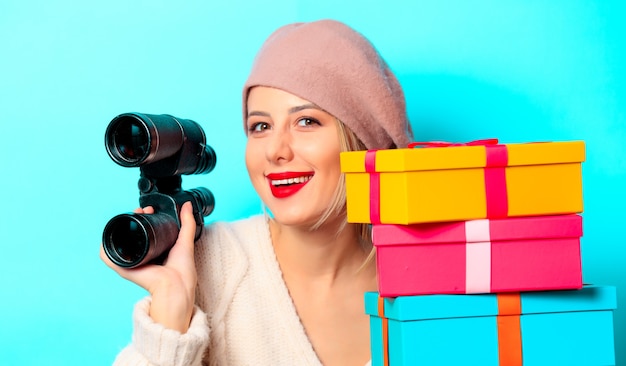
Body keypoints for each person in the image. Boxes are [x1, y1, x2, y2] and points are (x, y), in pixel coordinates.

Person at [101, 19, 412, 366]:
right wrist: (171, 316)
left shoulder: (430, 272)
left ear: (362, 142)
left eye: (306, 121)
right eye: (260, 126)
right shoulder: (208, 265)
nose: (275, 150)